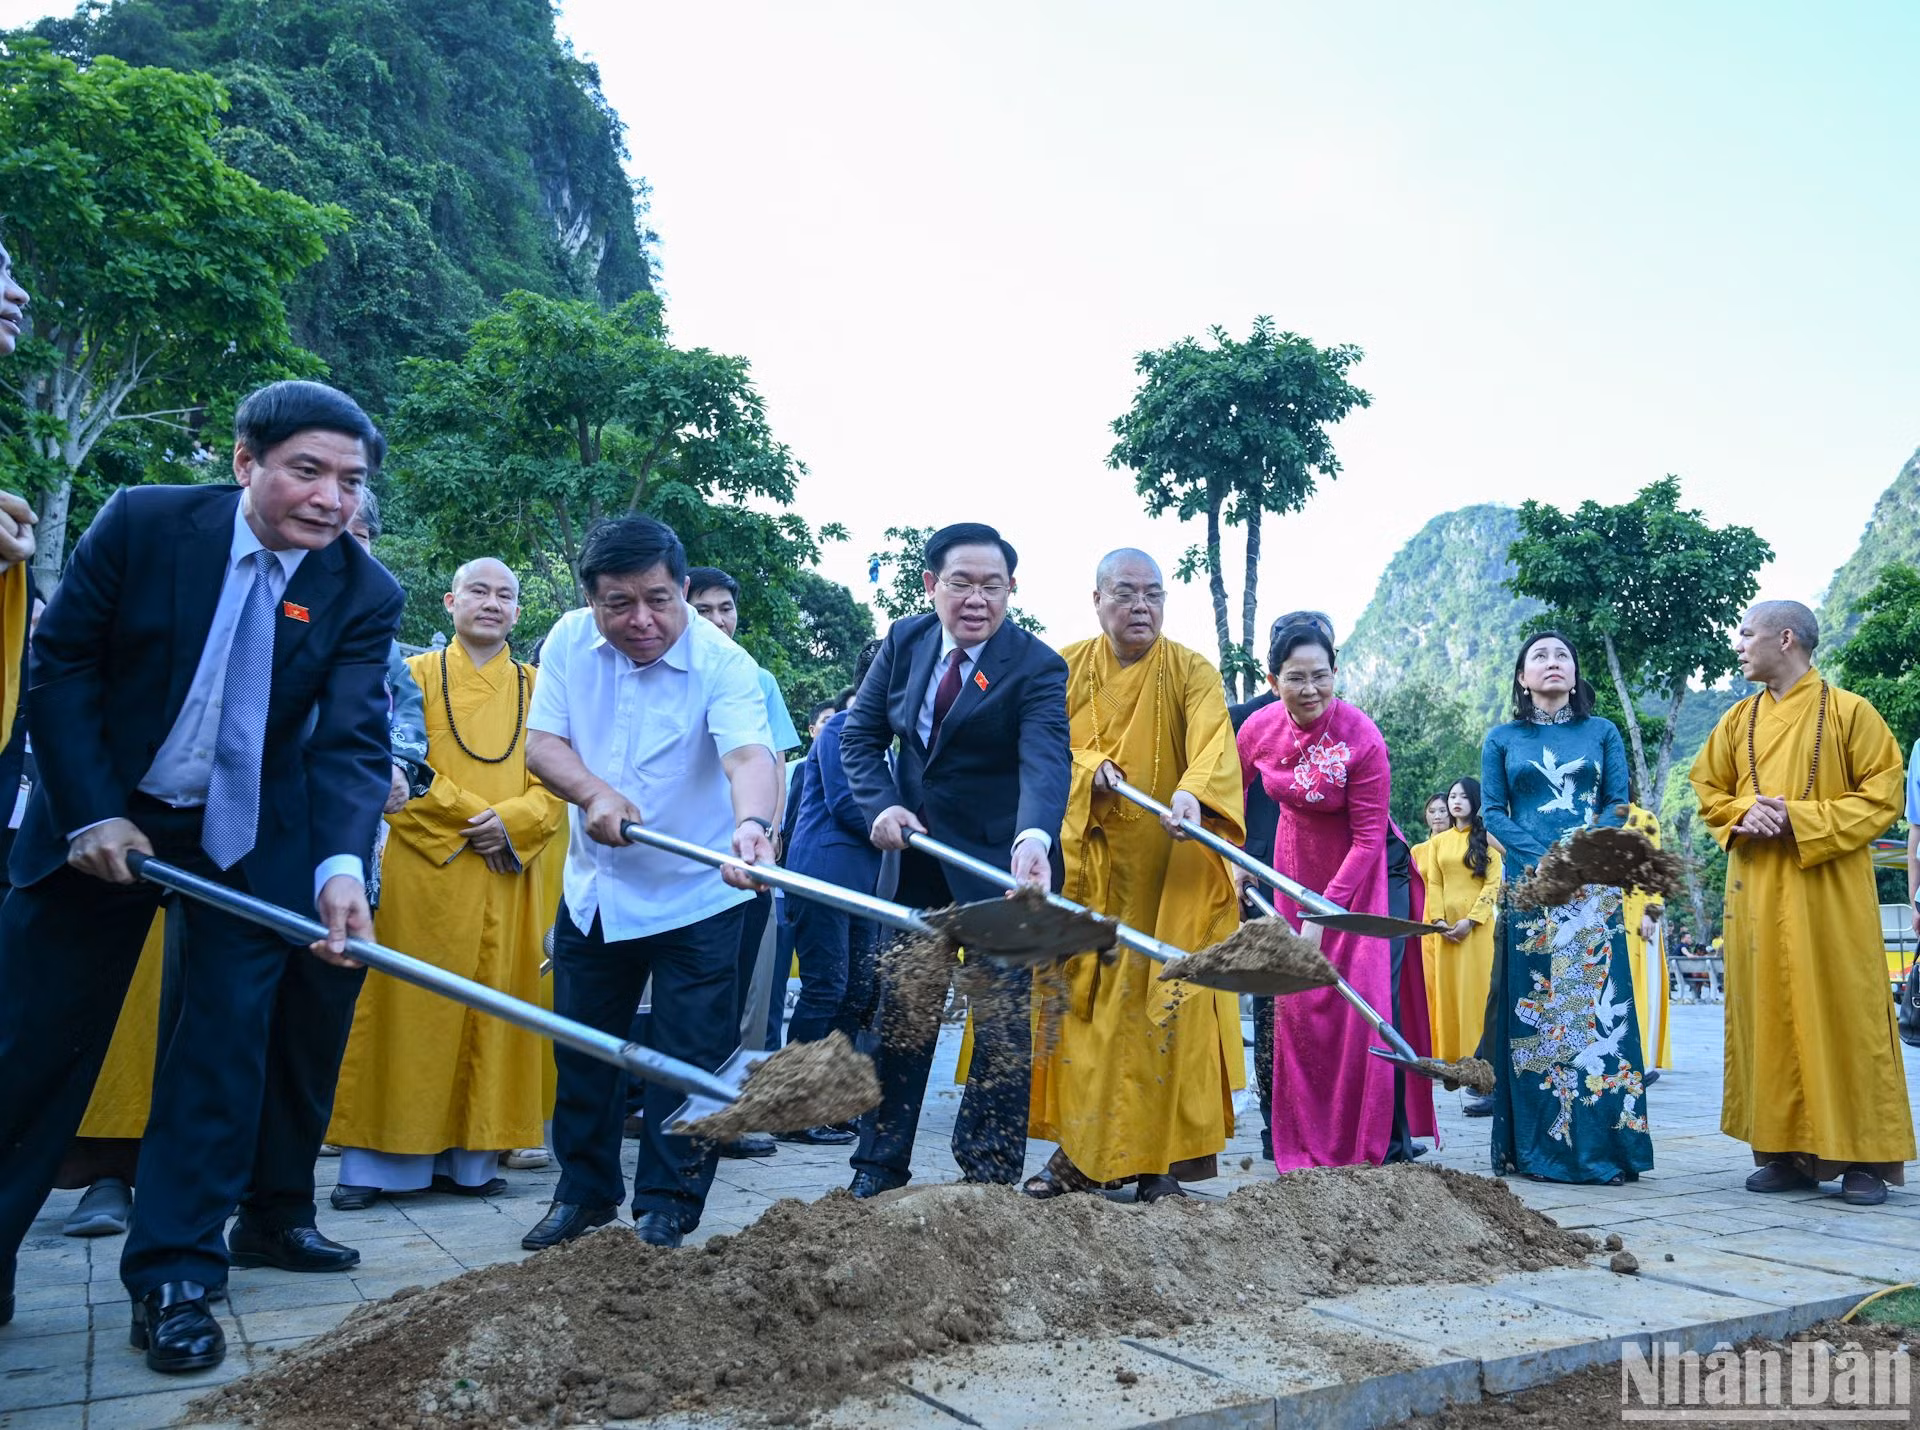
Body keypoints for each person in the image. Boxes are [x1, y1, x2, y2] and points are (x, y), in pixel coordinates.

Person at [0, 380, 403, 1371]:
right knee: (32, 1042)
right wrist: (93, 807)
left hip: (247, 835)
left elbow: (350, 743)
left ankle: (178, 1270)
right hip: (108, 808)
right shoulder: (144, 523)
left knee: (222, 1046)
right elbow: (59, 665)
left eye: (349, 480)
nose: (330, 498)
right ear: (244, 463)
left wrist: (341, 866)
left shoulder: (360, 588)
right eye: (308, 469)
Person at [522, 516, 779, 1251]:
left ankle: (665, 1207)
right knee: (585, 1050)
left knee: (685, 1058)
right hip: (597, 891)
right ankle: (584, 1194)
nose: (641, 620)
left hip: (699, 890)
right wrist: (594, 792)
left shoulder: (721, 661)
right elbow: (544, 747)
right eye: (620, 603)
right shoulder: (570, 641)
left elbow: (748, 758)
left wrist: (753, 826)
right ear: (592, 599)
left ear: (685, 591)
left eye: (660, 600)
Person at [839, 522, 1070, 1197]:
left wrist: (1034, 838)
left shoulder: (1035, 664)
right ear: (931, 585)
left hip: (999, 869)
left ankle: (989, 1177)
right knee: (902, 1014)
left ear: (1011, 590)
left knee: (999, 1023)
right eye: (962, 583)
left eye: (993, 585)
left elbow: (1045, 759)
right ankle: (877, 1169)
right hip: (916, 861)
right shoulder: (905, 642)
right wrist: (881, 804)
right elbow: (861, 734)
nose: (977, 599)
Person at [326, 559, 567, 1207]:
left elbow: (560, 779)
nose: (492, 603)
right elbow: (394, 759)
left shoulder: (543, 688)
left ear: (519, 611)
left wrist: (512, 824)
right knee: (407, 1008)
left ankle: (471, 1159)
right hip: (425, 863)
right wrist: (472, 820)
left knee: (491, 1008)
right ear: (450, 601)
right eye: (479, 591)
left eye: (506, 595)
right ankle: (377, 1162)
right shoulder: (412, 676)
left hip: (505, 869)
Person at [1023, 550, 1246, 1201]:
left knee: (1164, 1011)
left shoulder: (1190, 671)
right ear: (1096, 598)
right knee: (1086, 1021)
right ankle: (1077, 1157)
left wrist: (1193, 796)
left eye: (1153, 594)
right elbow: (1038, 752)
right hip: (1086, 876)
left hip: (1168, 879)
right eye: (1125, 593)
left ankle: (1158, 1168)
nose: (1140, 606)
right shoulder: (1058, 668)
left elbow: (1212, 745)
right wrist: (1089, 768)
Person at [1691, 600, 1913, 1207]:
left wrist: (1801, 817)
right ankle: (1786, 1153)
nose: (1738, 645)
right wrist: (1743, 810)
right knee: (1770, 1016)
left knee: (1847, 1012)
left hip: (1830, 893)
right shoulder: (1737, 720)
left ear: (1785, 638)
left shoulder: (1849, 712)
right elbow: (1707, 788)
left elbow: (1883, 796)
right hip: (1758, 893)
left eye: (1746, 633)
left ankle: (1866, 1157)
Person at [1236, 617, 1437, 1169]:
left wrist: (1325, 911)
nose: (1310, 691)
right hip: (1290, 864)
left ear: (1336, 672)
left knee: (1356, 1005)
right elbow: (1227, 792)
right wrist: (1235, 860)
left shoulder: (1361, 736)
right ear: (1273, 679)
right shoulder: (1257, 728)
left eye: (1321, 676)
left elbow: (1370, 836)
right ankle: (1302, 1143)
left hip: (1361, 877)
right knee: (1298, 1010)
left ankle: (1368, 1144)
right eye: (1295, 678)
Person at [1480, 631, 1652, 1186]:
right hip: (1531, 889)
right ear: (1522, 677)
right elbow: (1491, 811)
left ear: (1575, 675)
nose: (1552, 663)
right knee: (1539, 1013)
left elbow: (1617, 804)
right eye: (1539, 656)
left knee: (1594, 1012)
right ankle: (1540, 1148)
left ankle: (1604, 1147)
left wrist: (1580, 856)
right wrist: (1544, 858)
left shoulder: (1601, 732)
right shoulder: (1502, 739)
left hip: (1592, 888)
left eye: (1562, 656)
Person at [685, 565, 801, 1159]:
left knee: (747, 993)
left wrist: (769, 834)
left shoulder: (757, 678)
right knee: (682, 998)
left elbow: (773, 762)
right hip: (680, 863)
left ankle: (731, 1113)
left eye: (725, 608)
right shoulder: (663, 669)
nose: (717, 621)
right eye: (702, 610)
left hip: (744, 859)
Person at [773, 640, 888, 1145]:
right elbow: (848, 804)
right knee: (825, 988)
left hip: (858, 883)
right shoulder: (843, 727)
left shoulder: (883, 735)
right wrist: (907, 822)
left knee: (857, 991)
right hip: (822, 873)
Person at [1420, 779, 1503, 1088]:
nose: (1456, 802)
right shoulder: (1438, 843)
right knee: (1448, 992)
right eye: (1453, 796)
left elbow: (1492, 885)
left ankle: (1477, 1063)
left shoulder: (1486, 840)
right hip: (1444, 929)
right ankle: (1452, 1063)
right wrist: (1438, 919)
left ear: (1475, 802)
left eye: (1463, 797)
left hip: (1477, 929)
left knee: (1476, 991)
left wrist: (1472, 920)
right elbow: (1435, 884)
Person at [1621, 803, 1672, 1079]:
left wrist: (1652, 910)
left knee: (1644, 985)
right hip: (1609, 915)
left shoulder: (1643, 819)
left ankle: (1645, 1061)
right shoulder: (1594, 817)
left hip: (1640, 916)